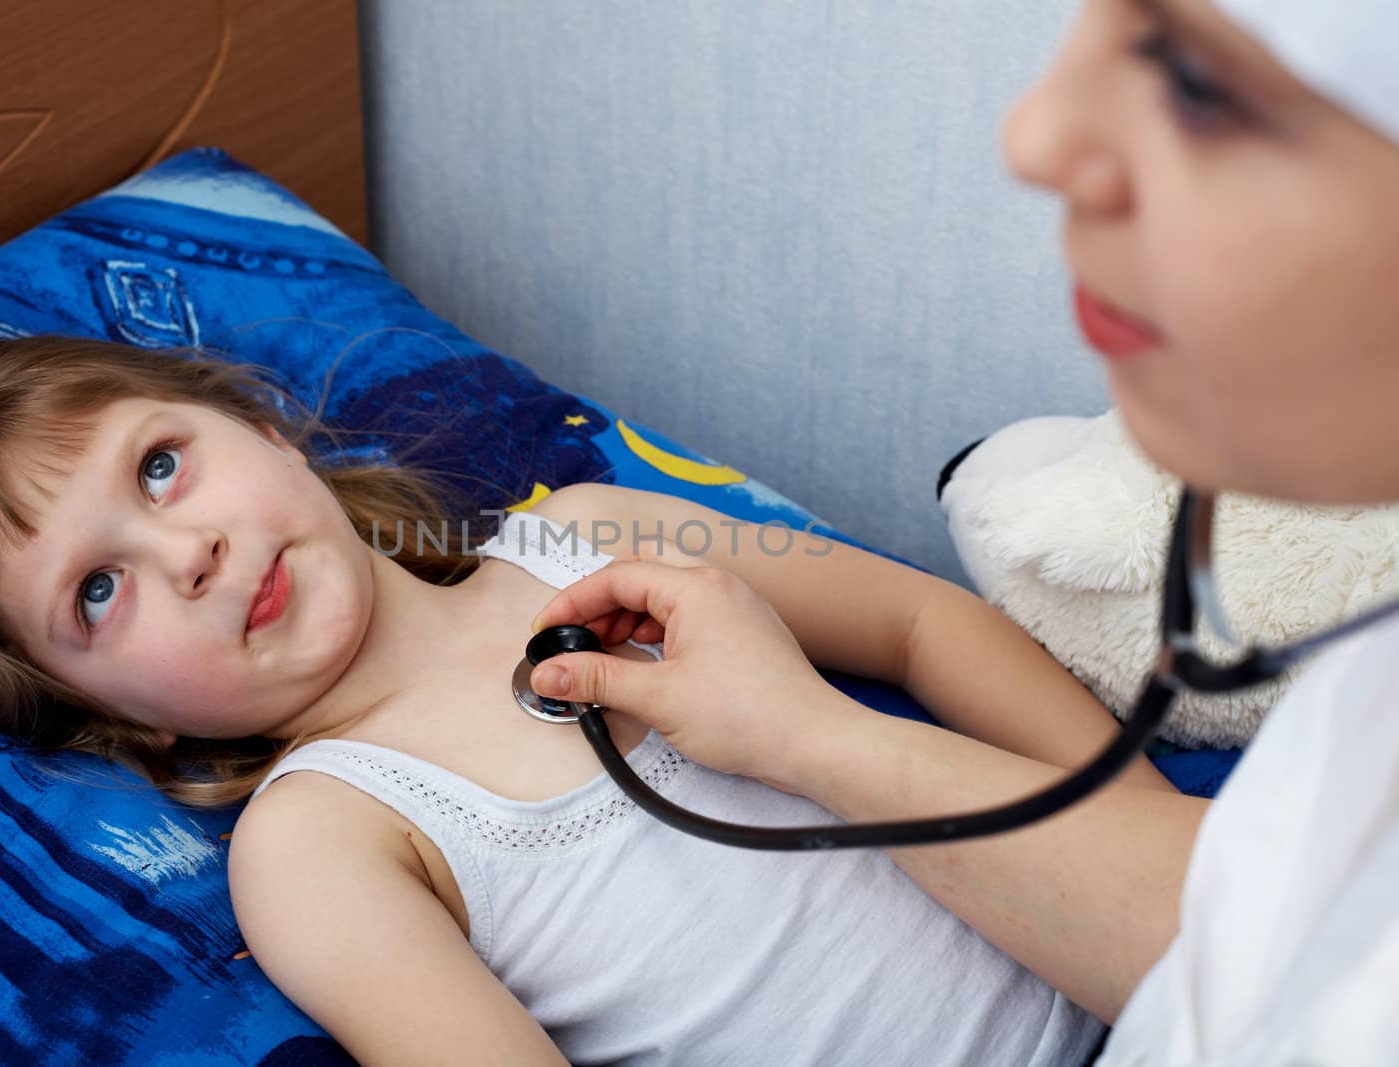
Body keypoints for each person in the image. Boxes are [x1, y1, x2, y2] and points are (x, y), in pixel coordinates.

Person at [0, 337, 1179, 1065]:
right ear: (120, 717)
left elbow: (922, 620)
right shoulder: (328, 836)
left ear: (264, 427)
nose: (189, 550)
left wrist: (1146, 825)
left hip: (1176, 967)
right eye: (97, 593)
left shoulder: (592, 527)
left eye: (160, 467)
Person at [527, 1, 1399, 1062]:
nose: (1030, 137)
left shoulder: (580, 528)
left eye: (1198, 80)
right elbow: (1251, 943)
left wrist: (801, 733)